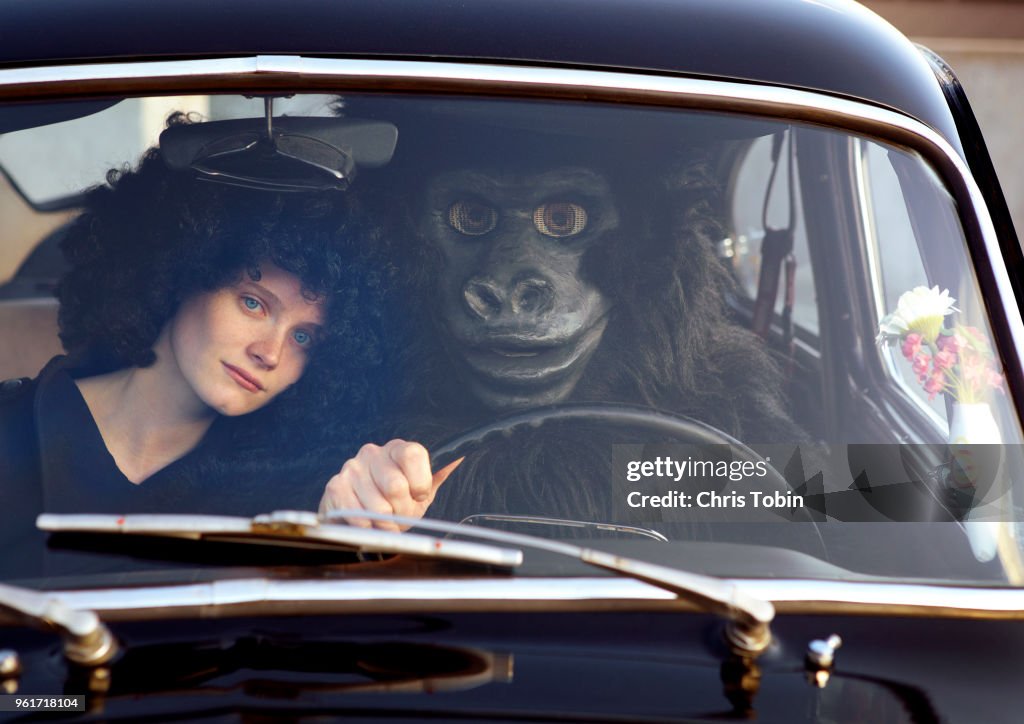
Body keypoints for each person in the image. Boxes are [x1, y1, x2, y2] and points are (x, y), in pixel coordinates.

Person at [0, 146, 457, 559]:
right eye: (254, 303)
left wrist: (349, 526)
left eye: (304, 337)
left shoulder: (290, 495)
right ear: (180, 272)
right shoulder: (13, 423)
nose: (270, 353)